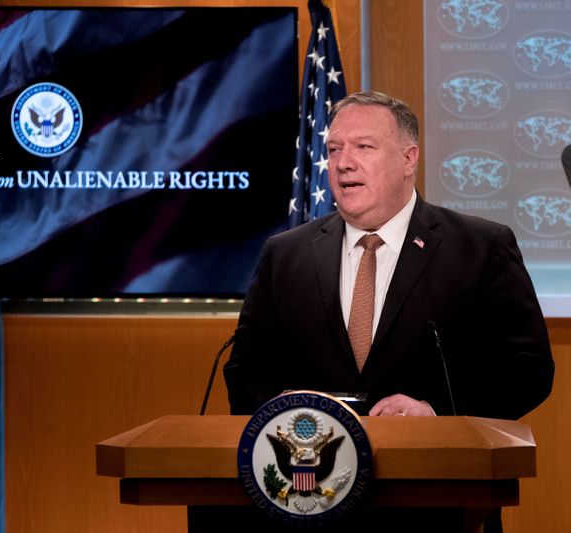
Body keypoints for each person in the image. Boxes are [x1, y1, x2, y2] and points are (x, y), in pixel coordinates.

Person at [224, 91, 554, 421]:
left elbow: (528, 367)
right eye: (334, 149)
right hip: (313, 465)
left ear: (409, 158)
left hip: (437, 465)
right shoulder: (285, 254)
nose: (343, 163)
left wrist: (436, 412)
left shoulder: (480, 247)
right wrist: (284, 412)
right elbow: (244, 371)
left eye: (363, 147)